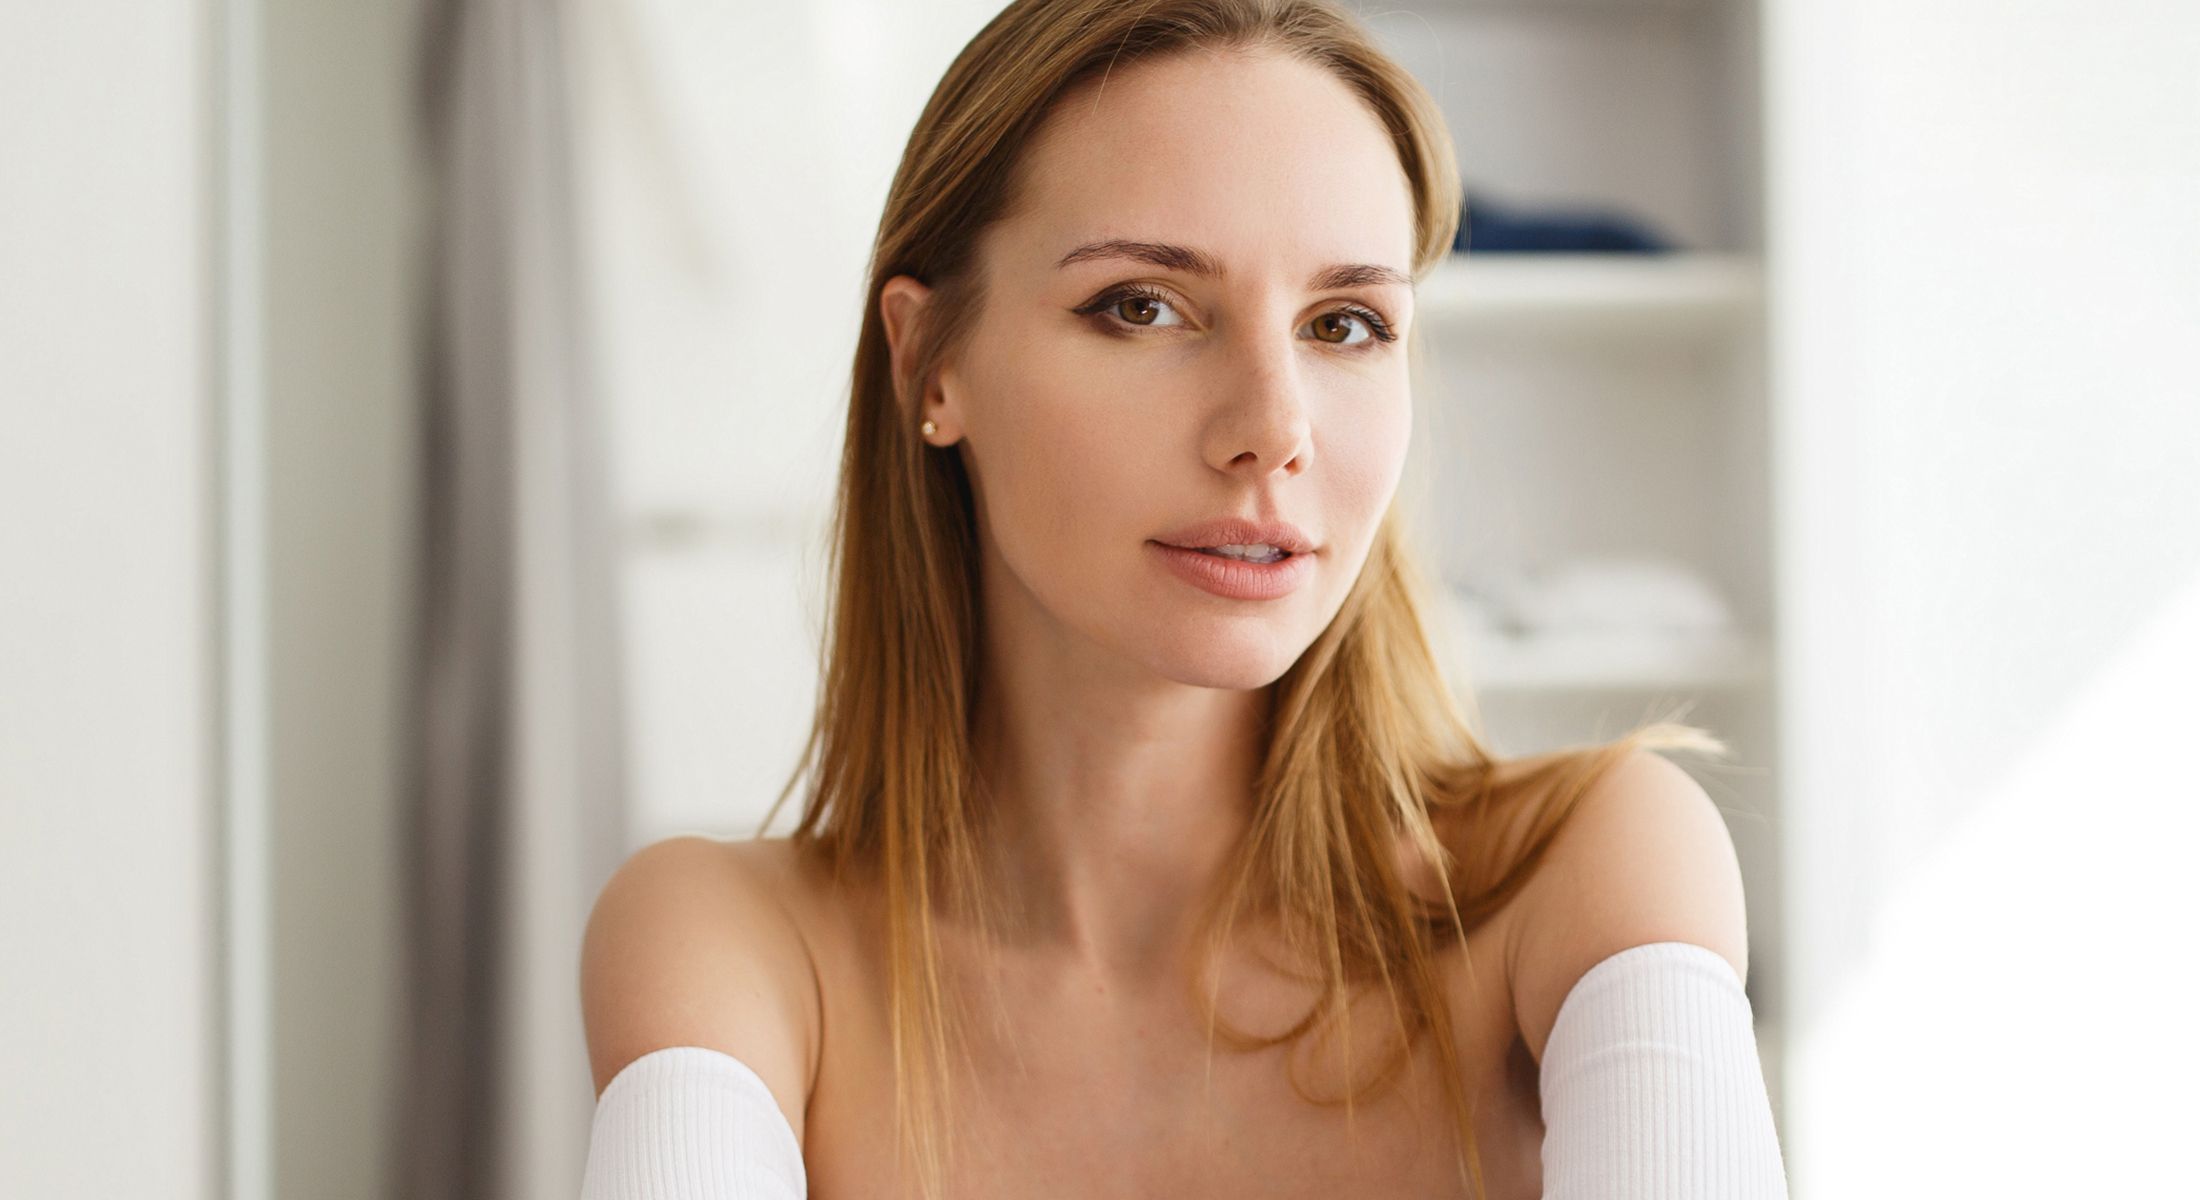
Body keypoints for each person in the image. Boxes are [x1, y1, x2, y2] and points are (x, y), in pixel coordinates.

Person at [577, 1, 1787, 1197]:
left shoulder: (1583, 874)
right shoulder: (738, 953)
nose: (1272, 429)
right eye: (1142, 307)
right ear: (929, 363)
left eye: (1345, 324)